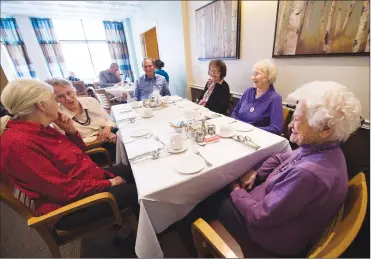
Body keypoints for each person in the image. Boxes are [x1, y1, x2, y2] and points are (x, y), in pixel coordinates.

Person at [183, 81, 362, 257]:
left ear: (325, 129)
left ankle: (193, 246)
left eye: (298, 120)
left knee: (204, 195)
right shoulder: (324, 147)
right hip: (270, 209)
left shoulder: (309, 174)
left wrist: (235, 189)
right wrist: (256, 173)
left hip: (268, 237)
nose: (290, 125)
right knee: (220, 184)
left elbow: (260, 216)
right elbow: (281, 157)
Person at [0, 79, 138, 231]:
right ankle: (143, 239)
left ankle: (141, 224)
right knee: (137, 191)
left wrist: (71, 131)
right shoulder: (19, 144)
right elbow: (65, 192)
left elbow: (78, 156)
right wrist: (109, 183)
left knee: (137, 170)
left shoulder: (40, 128)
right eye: (54, 99)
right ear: (41, 105)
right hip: (69, 207)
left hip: (84, 181)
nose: (58, 105)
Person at [46, 78, 117, 162]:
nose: (68, 98)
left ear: (74, 91)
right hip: (92, 150)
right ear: (55, 99)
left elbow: (108, 119)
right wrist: (101, 136)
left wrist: (107, 128)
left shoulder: (91, 101)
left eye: (69, 93)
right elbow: (70, 143)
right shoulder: (58, 117)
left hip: (111, 137)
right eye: (60, 96)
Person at [232, 59, 283, 135]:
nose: (253, 77)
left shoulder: (275, 98)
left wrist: (250, 129)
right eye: (253, 74)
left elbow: (276, 129)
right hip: (237, 133)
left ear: (269, 76)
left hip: (257, 138)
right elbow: (234, 112)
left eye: (257, 74)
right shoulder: (248, 91)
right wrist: (237, 125)